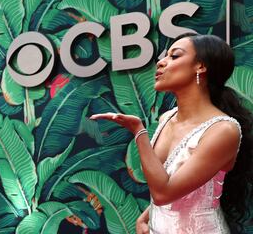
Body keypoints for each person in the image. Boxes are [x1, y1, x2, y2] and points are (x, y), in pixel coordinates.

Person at [90, 33, 253, 233]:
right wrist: (145, 217)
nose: (161, 63)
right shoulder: (166, 118)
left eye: (174, 56)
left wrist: (139, 132)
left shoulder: (223, 130)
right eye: (165, 56)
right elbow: (179, 188)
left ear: (200, 66)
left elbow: (164, 193)